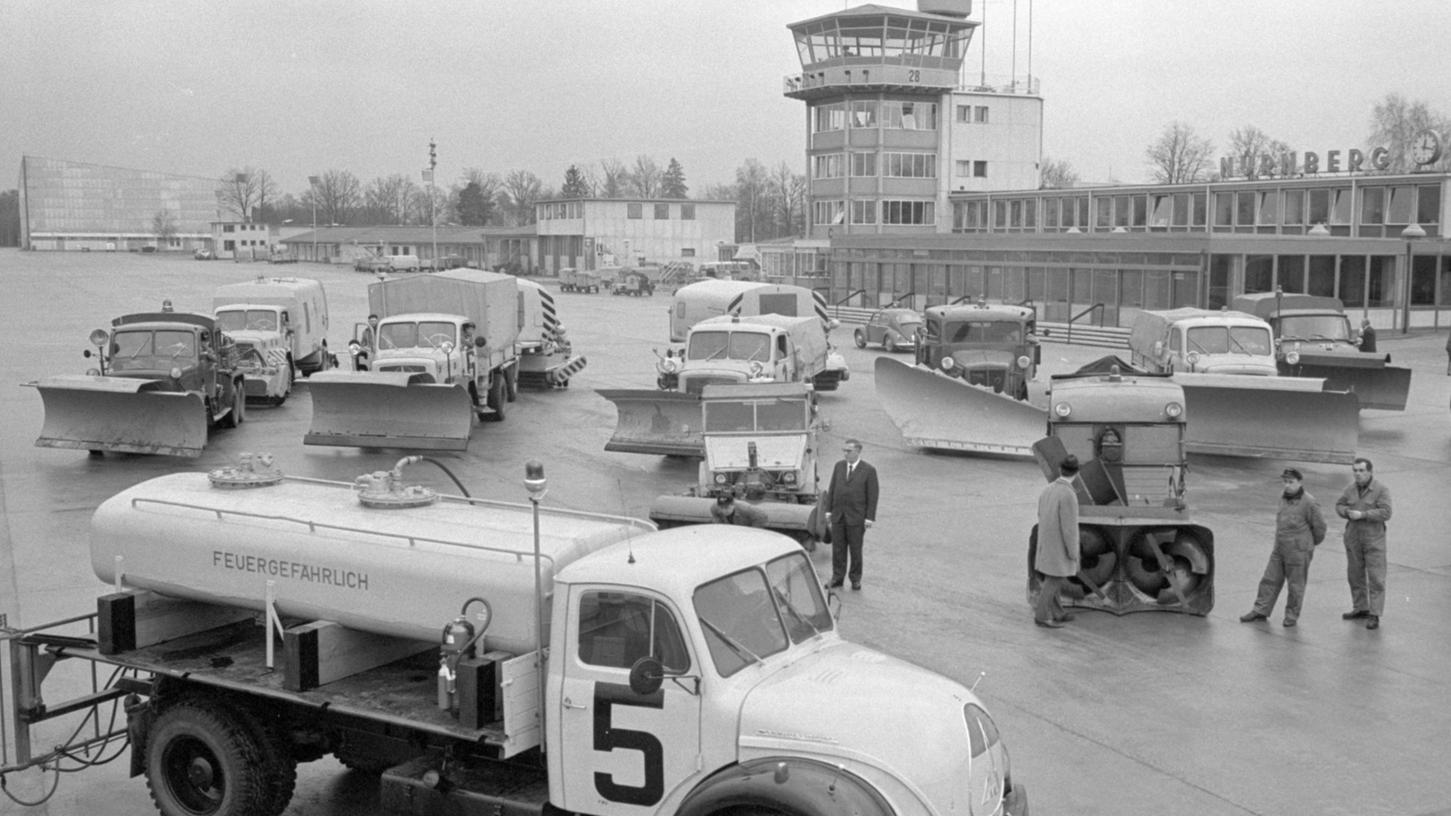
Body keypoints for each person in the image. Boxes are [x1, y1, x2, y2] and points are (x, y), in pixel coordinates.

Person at [1239, 468, 1327, 628]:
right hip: (1279, 548)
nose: (1287, 485)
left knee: (1295, 585)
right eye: (1285, 482)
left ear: (1300, 482)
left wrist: (1306, 545)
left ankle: (1291, 616)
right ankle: (1260, 610)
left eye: (1291, 482)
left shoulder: (1309, 502)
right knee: (1269, 580)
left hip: (1298, 551)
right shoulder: (1283, 497)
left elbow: (1320, 528)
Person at [1335, 457, 1392, 630]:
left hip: (1373, 540)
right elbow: (1339, 504)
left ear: (1370, 472)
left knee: (1376, 578)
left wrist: (1363, 515)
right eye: (1355, 471)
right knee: (1355, 575)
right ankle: (1360, 608)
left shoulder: (1381, 490)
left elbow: (1386, 512)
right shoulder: (1350, 489)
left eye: (1361, 471)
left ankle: (1374, 614)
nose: (1358, 474)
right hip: (1353, 538)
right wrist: (1346, 512)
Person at [822, 438, 879, 591]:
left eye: (849, 451)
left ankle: (855, 579)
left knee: (855, 550)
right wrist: (828, 511)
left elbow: (872, 496)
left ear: (858, 451)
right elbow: (832, 488)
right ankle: (837, 578)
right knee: (838, 549)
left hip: (857, 518)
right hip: (839, 516)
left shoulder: (868, 470)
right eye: (844, 451)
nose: (845, 454)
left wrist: (869, 518)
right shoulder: (839, 466)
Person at [1033, 455, 1081, 628]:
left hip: (1045, 542)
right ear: (1077, 473)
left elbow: (1040, 514)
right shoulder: (1069, 494)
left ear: (1061, 470)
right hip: (1058, 545)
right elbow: (1069, 528)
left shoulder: (1048, 489)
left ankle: (1058, 613)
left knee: (1051, 577)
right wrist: (1073, 552)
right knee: (1054, 580)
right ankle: (1042, 616)